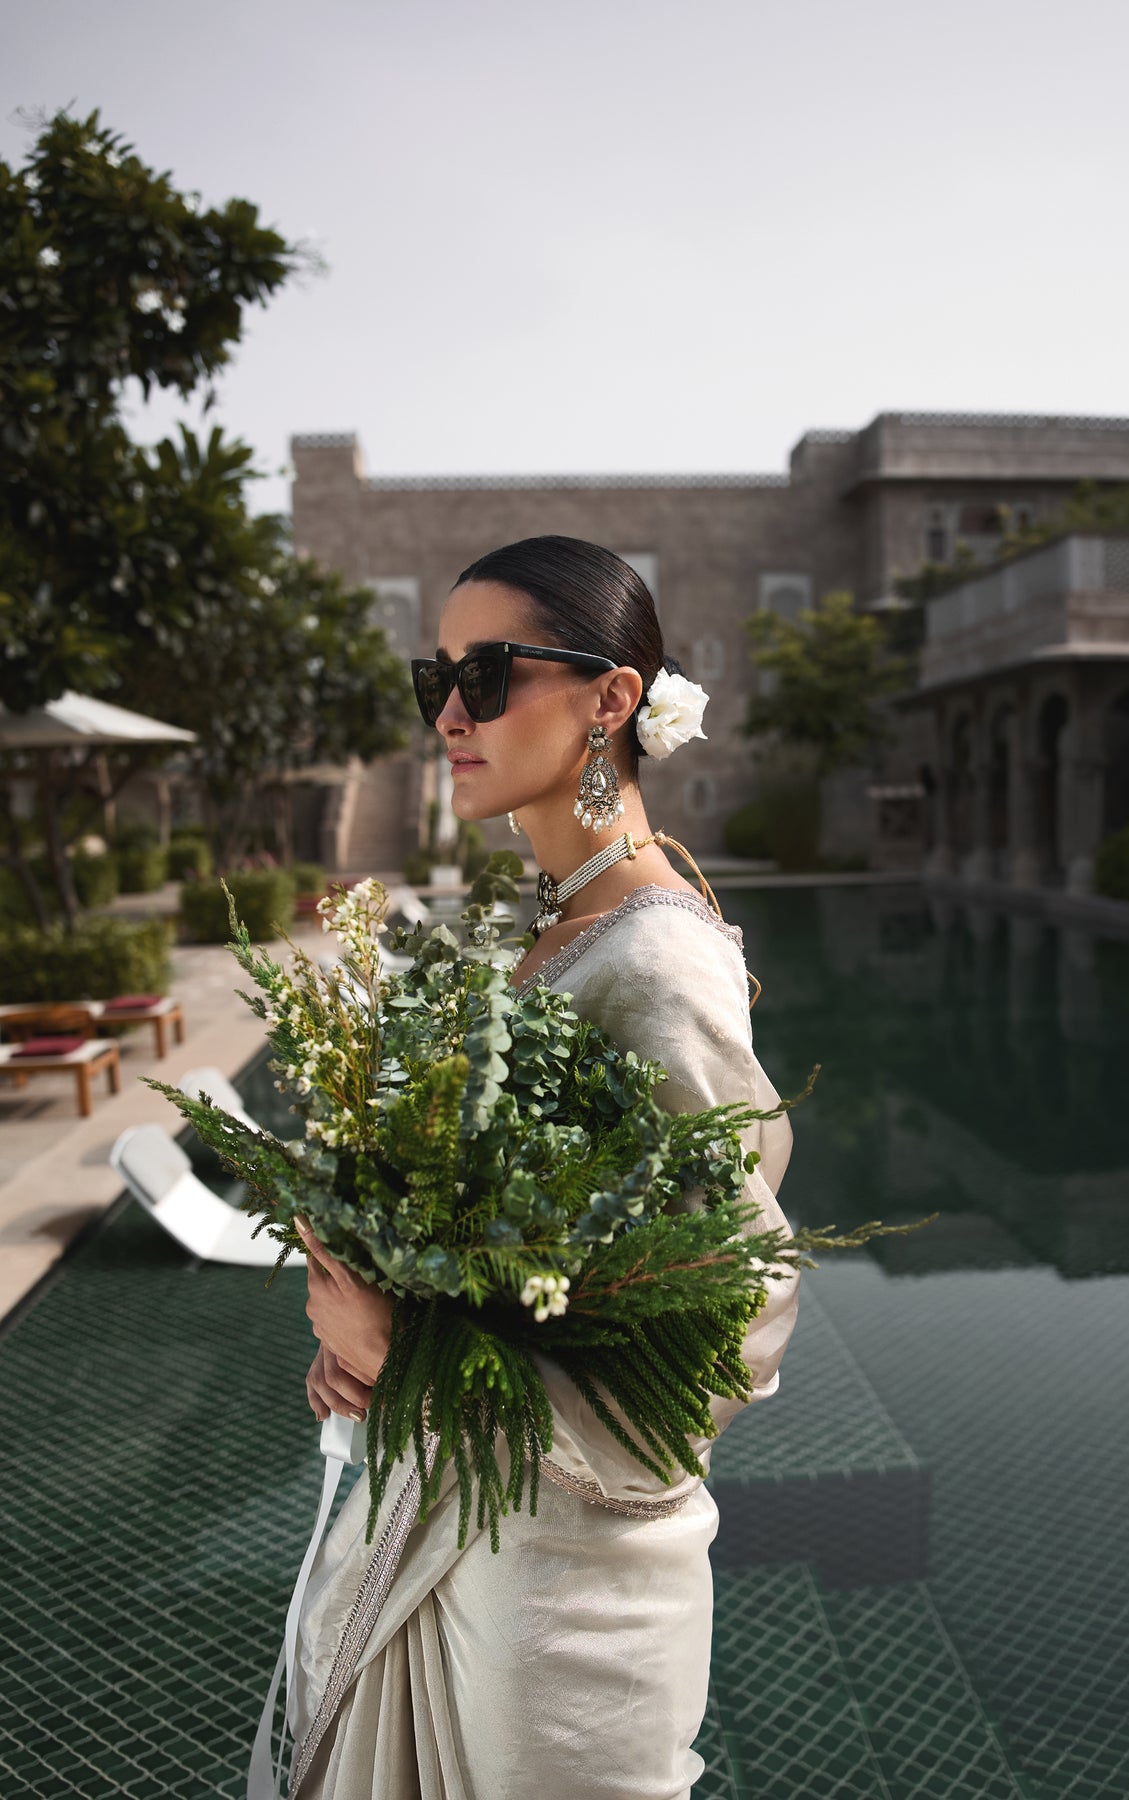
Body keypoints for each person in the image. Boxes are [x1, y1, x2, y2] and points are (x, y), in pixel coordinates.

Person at [285, 536, 800, 1799]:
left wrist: (411, 1362)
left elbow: (738, 1326)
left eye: (489, 674)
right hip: (473, 1536)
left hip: (558, 1606)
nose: (451, 713)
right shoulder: (558, 924)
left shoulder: (654, 960)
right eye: (437, 680)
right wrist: (380, 1340)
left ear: (612, 698)